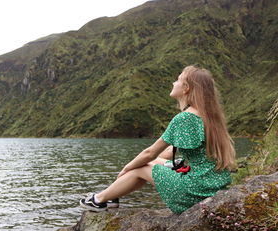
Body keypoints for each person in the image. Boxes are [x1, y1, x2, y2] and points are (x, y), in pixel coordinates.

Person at [80, 65, 236, 214]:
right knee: (151, 164)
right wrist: (155, 163)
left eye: (178, 79)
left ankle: (98, 199)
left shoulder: (185, 118)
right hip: (213, 186)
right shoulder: (209, 117)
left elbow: (150, 152)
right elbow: (168, 151)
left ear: (186, 88)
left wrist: (126, 168)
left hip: (194, 192)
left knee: (141, 167)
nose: (173, 82)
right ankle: (112, 195)